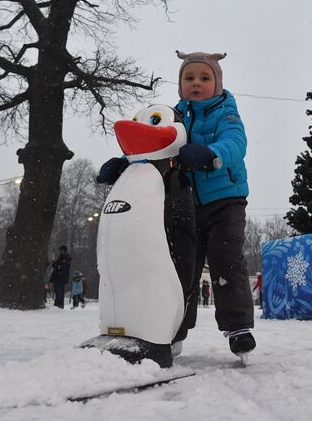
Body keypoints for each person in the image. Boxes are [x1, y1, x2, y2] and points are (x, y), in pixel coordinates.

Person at [97, 51, 256, 358]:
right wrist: (125, 163)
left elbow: (236, 143)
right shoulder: (175, 115)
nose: (196, 83)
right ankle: (172, 329)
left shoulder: (226, 113)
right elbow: (156, 142)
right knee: (181, 266)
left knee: (226, 260)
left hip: (226, 200)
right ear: (181, 84)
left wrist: (211, 153)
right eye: (189, 78)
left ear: (218, 83)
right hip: (186, 203)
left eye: (205, 78)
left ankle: (237, 327)